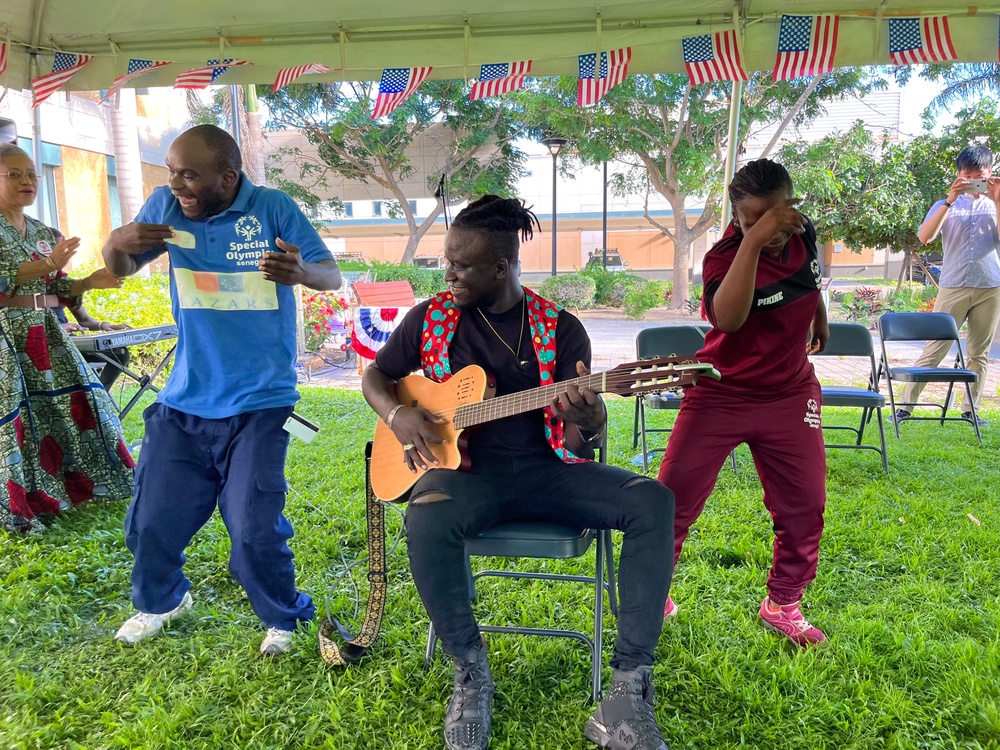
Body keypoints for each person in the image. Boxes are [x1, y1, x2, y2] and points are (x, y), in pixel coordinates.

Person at [362, 195, 675, 750]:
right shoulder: (429, 318)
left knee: (652, 500)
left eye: (462, 265)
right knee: (426, 517)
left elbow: (581, 441)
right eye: (447, 260)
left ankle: (626, 690)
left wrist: (591, 413)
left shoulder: (560, 328)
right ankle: (470, 671)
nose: (448, 272)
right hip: (464, 477)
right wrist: (397, 412)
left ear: (501, 268)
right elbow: (378, 375)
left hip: (547, 471)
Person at [103, 124, 341, 656]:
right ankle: (161, 602)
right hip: (184, 399)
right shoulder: (165, 205)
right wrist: (114, 244)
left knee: (254, 526)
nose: (176, 183)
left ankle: (284, 616)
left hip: (261, 401)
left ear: (227, 177)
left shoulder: (273, 208)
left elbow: (332, 276)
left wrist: (301, 271)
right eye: (171, 171)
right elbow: (119, 268)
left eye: (189, 174)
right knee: (150, 519)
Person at [657, 159, 829, 647]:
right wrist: (752, 241)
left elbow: (810, 274)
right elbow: (729, 320)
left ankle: (783, 603)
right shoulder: (723, 256)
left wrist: (818, 314)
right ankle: (656, 590)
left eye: (775, 217)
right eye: (751, 220)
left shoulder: (802, 231)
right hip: (720, 390)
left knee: (805, 504)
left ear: (792, 205)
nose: (767, 229)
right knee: (671, 501)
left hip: (790, 393)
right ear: (736, 218)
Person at [0, 143, 135, 533]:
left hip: (45, 334)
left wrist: (89, 282)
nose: (27, 181)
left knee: (80, 402)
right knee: (13, 418)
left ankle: (76, 486)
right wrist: (46, 264)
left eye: (31, 175)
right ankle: (19, 502)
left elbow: (58, 288)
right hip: (5, 336)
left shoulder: (46, 233)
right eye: (15, 174)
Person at [893, 145, 1000, 428]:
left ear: (990, 173)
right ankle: (905, 407)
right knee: (935, 347)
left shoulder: (995, 204)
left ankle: (970, 410)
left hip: (990, 286)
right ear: (958, 174)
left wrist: (998, 201)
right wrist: (950, 201)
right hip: (953, 284)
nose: (973, 179)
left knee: (979, 353)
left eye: (979, 174)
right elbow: (925, 236)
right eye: (967, 174)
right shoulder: (946, 204)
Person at [49, 227, 132, 391]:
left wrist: (103, 325)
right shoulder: (22, 285)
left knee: (120, 353)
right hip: (47, 348)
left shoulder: (63, 284)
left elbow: (85, 320)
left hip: (73, 344)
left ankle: (100, 396)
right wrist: (57, 328)